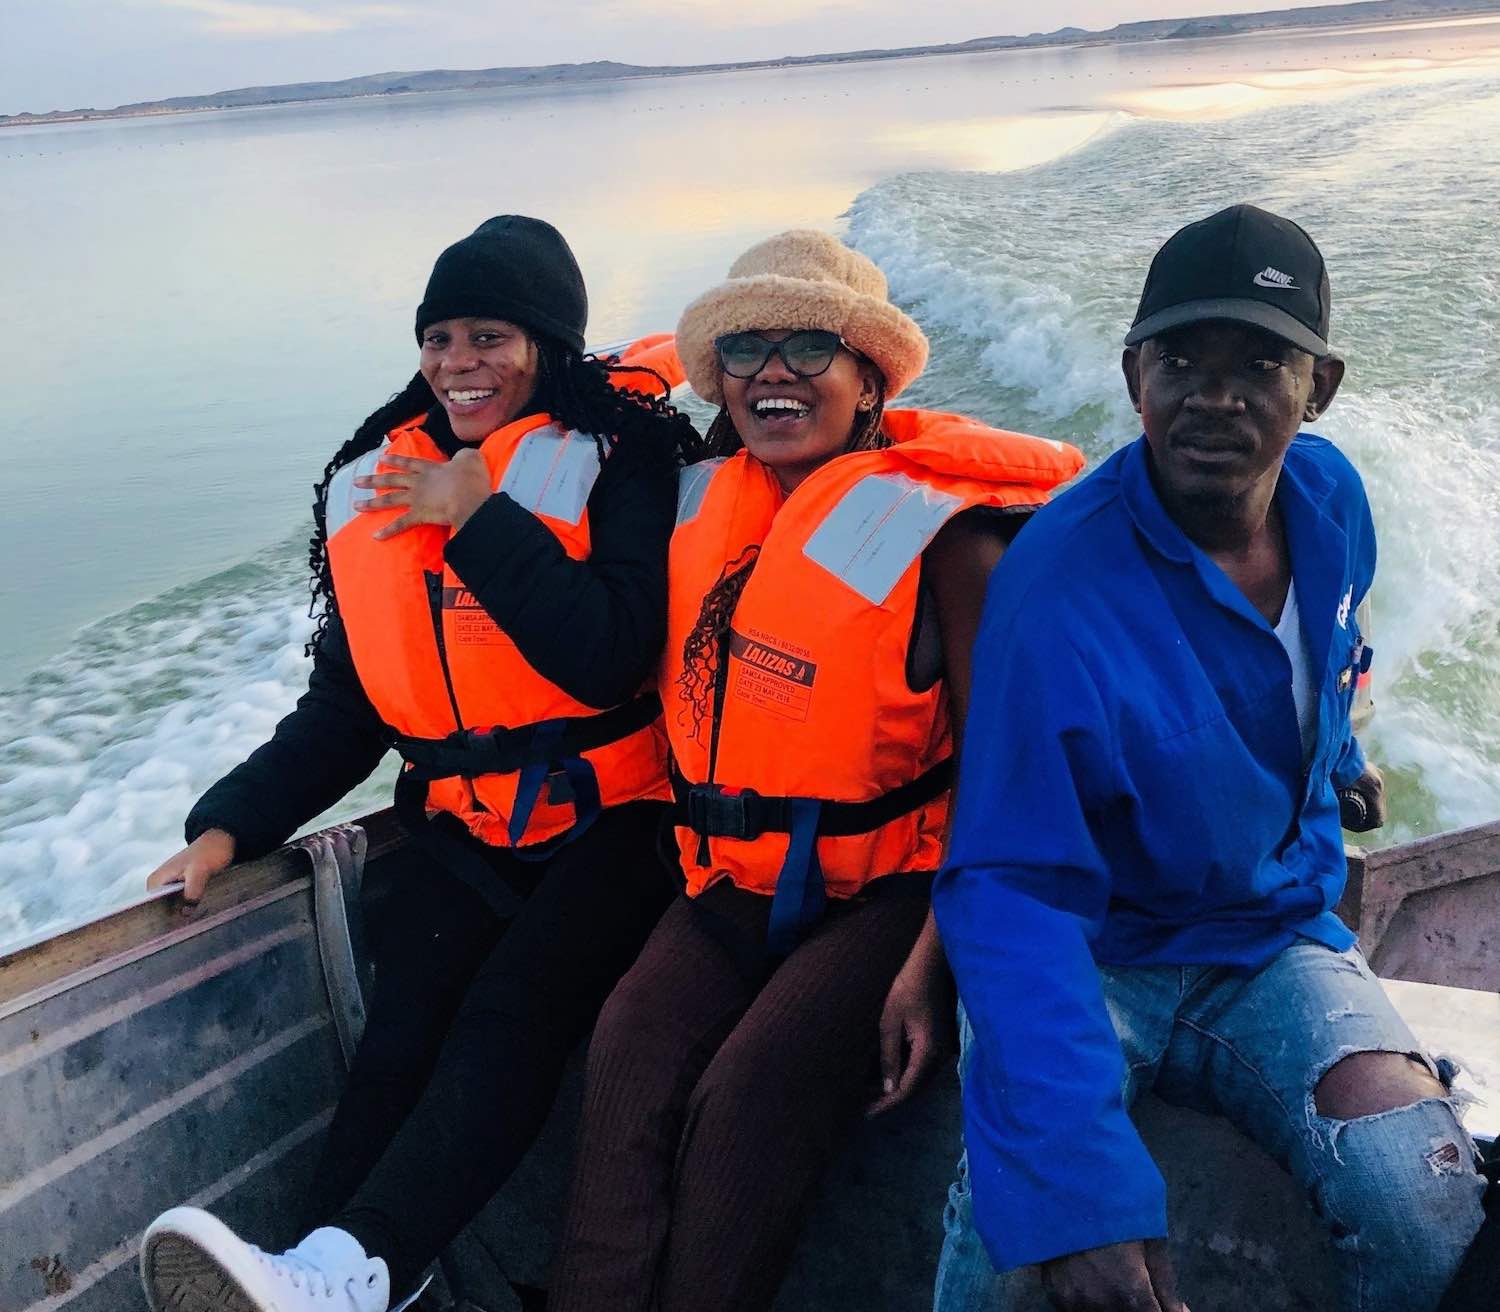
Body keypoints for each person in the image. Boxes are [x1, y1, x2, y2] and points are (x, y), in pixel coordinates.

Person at [136, 215, 701, 1312]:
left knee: (512, 1008)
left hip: (629, 820)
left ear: (548, 342)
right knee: (401, 1029)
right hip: (468, 821)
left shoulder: (632, 453)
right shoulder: (379, 480)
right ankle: (315, 1275)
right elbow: (350, 706)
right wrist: (227, 825)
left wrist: (479, 518)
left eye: (489, 335)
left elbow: (611, 654)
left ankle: (348, 1275)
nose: (457, 363)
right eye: (438, 337)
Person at [932, 204, 1487, 1312]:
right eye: (1181, 357)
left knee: (1427, 1199)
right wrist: (1079, 1191)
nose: (1215, 394)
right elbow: (1011, 883)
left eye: (1261, 362)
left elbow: (1329, 656)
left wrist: (1331, 760)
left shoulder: (1333, 502)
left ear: (1319, 388)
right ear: (1135, 373)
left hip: (1275, 939)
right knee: (1013, 1253)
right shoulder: (1057, 586)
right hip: (1101, 953)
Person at [545, 230, 1084, 1312]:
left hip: (886, 894)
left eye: (808, 347)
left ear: (869, 376)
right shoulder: (692, 504)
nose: (773, 373)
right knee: (623, 1062)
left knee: (748, 1100)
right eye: (745, 349)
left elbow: (1007, 777)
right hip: (720, 877)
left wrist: (935, 960)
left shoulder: (949, 539)